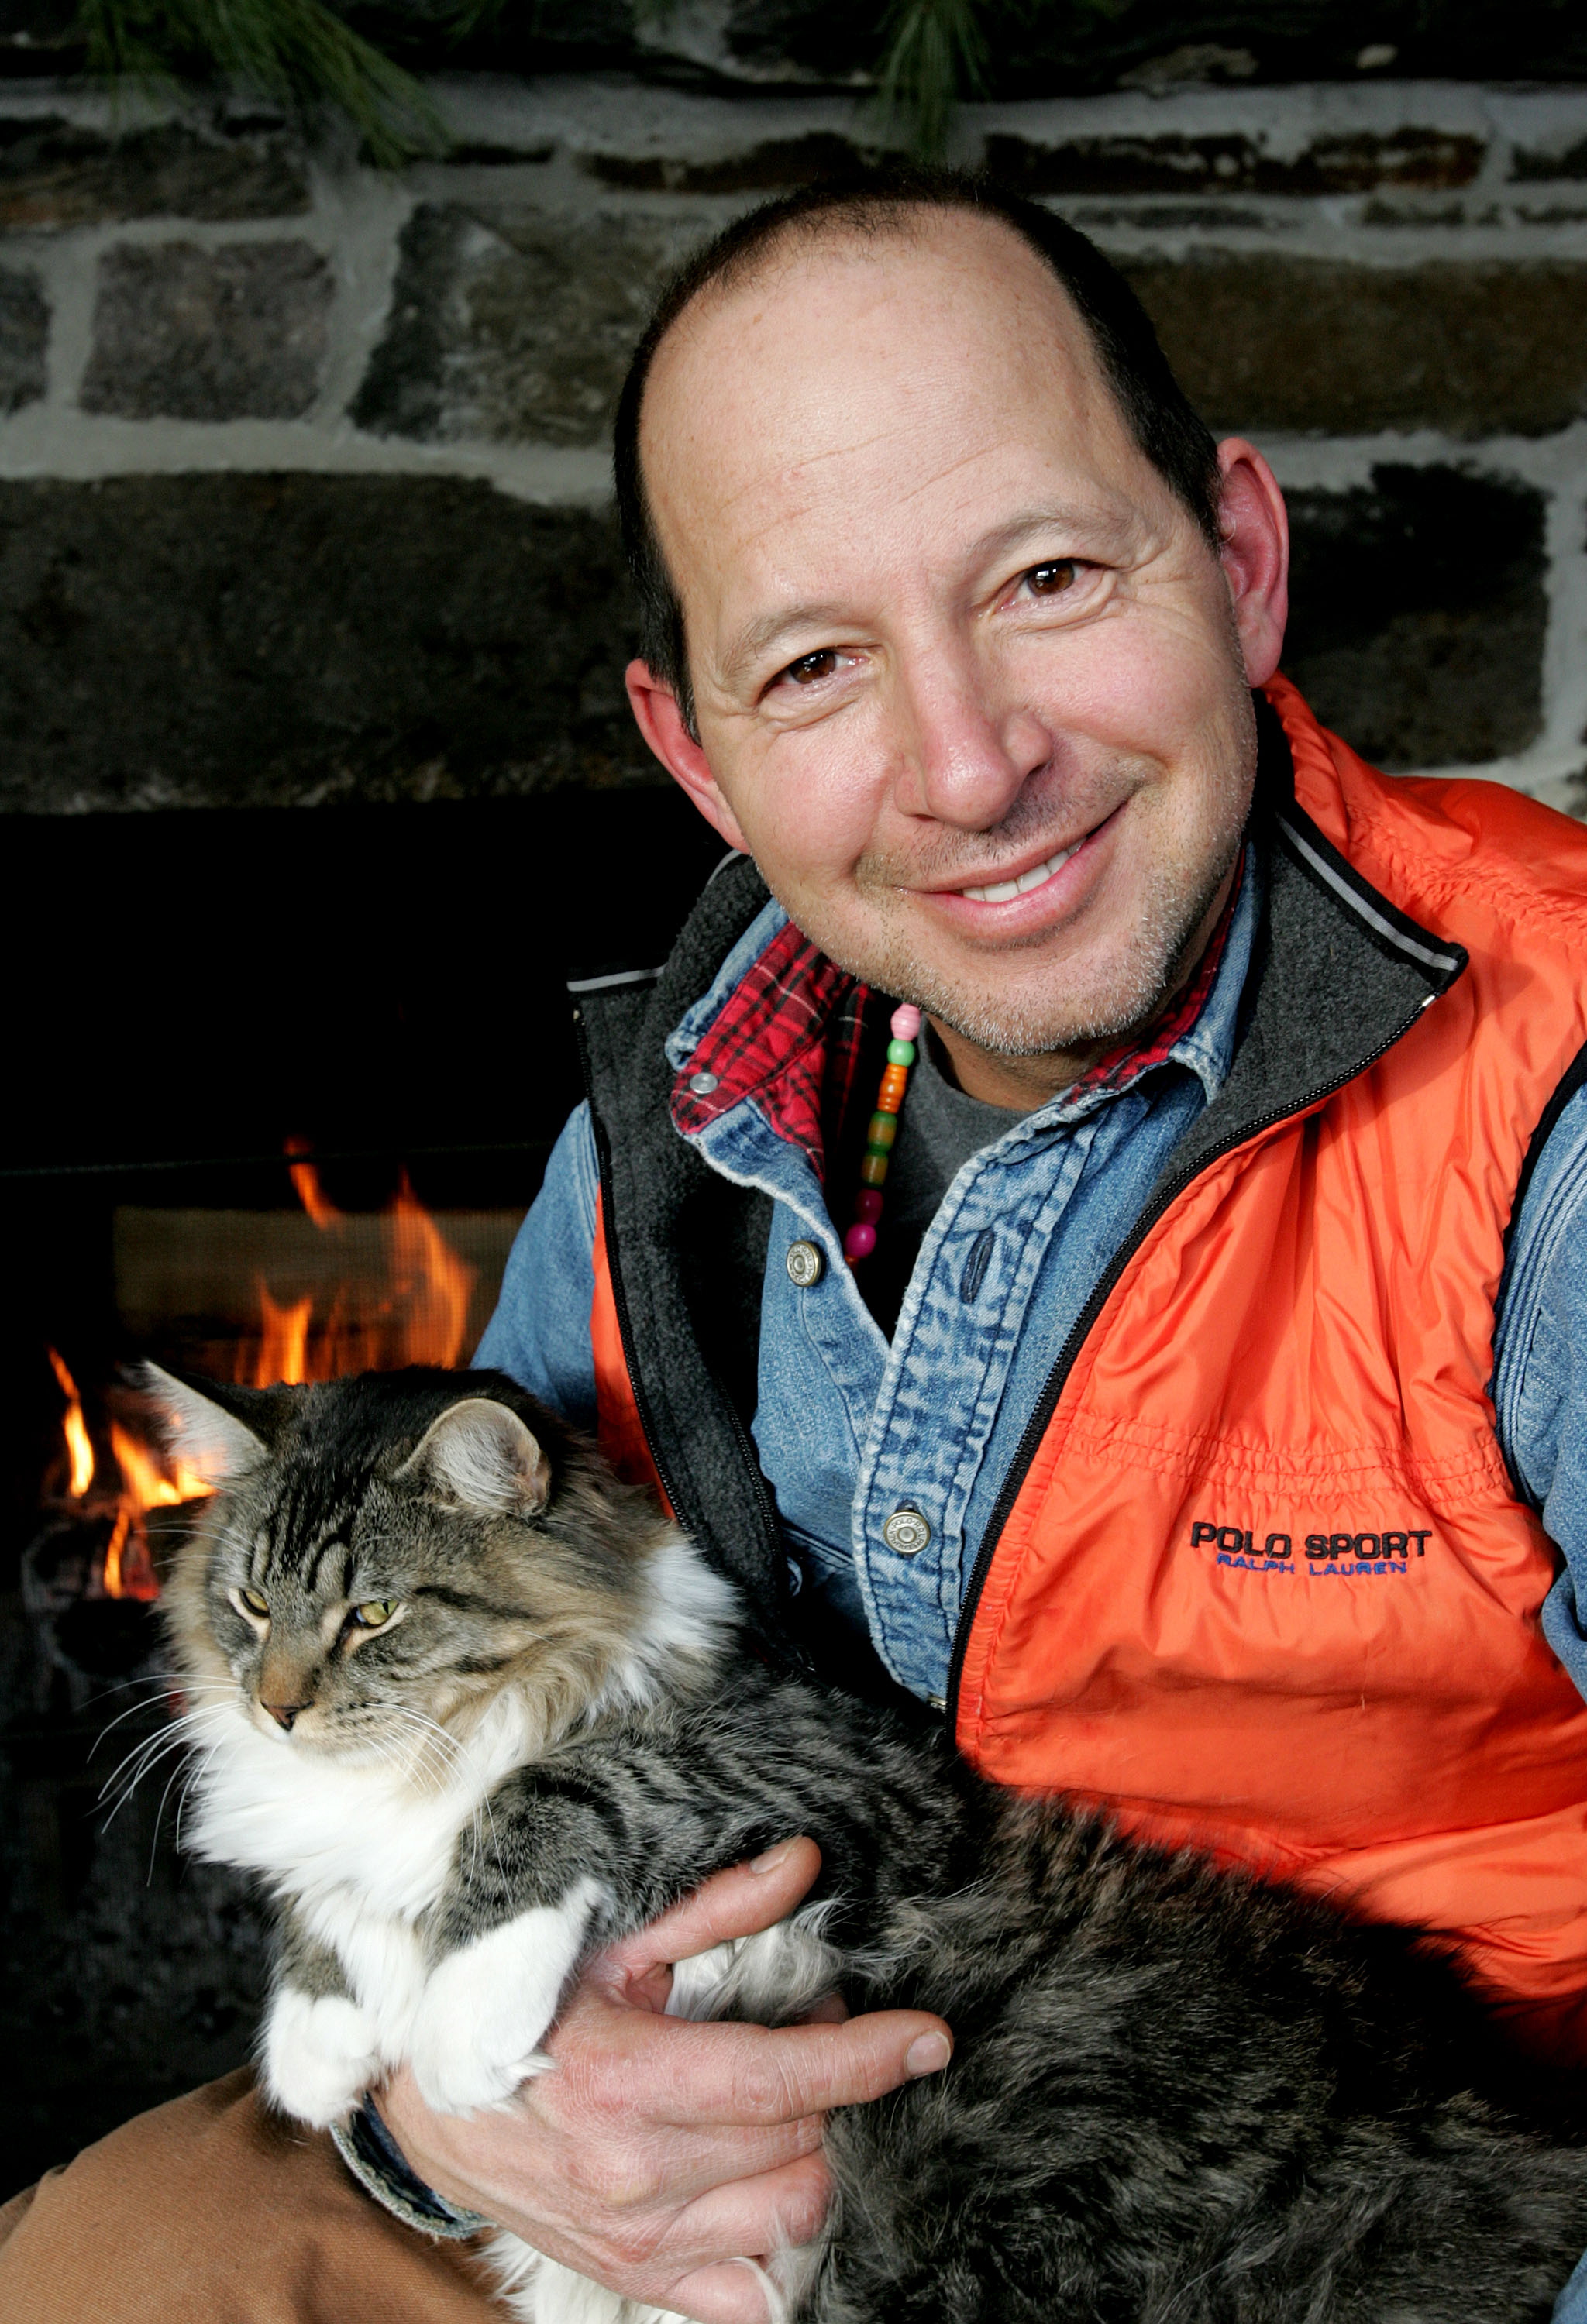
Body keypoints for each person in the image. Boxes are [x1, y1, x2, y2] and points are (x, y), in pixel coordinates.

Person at [9, 163, 1587, 2324]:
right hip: (710, 2166)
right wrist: (456, 2113)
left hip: (1333, 2208)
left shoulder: (1551, 1116)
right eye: (818, 661)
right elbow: (424, 1773)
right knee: (102, 2272)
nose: (968, 765)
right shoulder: (656, 1146)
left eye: (1044, 575)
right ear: (696, 752)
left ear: (1234, 561)